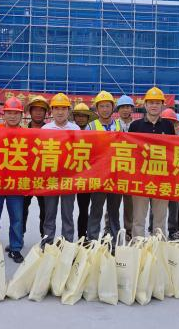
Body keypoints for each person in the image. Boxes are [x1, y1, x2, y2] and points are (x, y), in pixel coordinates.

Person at [130, 88, 175, 238]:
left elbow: (173, 150)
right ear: (145, 105)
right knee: (138, 218)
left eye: (157, 103)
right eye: (151, 103)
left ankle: (158, 247)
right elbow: (131, 151)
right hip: (140, 178)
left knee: (160, 219)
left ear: (162, 105)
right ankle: (138, 246)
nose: (154, 106)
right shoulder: (135, 126)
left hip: (162, 178)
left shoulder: (168, 126)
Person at [0, 97, 26, 263]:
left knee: (17, 218)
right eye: (9, 113)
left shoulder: (28, 134)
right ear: (4, 114)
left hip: (16, 183)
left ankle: (15, 248)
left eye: (16, 113)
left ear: (21, 115)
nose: (12, 116)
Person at [41, 93, 80, 243]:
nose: (60, 112)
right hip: (50, 178)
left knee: (67, 213)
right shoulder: (45, 129)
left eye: (63, 108)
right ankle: (48, 241)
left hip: (69, 178)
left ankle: (67, 242)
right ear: (51, 111)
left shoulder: (75, 129)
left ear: (68, 111)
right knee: (49, 213)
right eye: (56, 108)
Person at [86, 90, 123, 242]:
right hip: (98, 176)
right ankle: (92, 239)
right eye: (102, 106)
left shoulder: (120, 125)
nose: (105, 109)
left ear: (112, 107)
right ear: (97, 109)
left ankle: (114, 240)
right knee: (96, 209)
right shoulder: (91, 126)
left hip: (116, 176)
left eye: (108, 106)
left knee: (114, 211)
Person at [104, 95, 135, 238]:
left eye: (128, 107)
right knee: (112, 203)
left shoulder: (136, 125)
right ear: (118, 109)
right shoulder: (113, 125)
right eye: (122, 107)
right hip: (115, 169)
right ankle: (108, 227)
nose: (125, 110)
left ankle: (129, 229)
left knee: (130, 203)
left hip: (131, 170)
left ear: (132, 109)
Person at [22, 95, 49, 238]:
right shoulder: (22, 131)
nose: (38, 113)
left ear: (45, 113)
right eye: (35, 110)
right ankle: (18, 238)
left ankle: (45, 238)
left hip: (44, 178)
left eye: (41, 110)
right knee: (21, 209)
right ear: (30, 112)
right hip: (26, 177)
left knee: (45, 211)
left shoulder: (52, 131)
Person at [72, 102, 97, 239]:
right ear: (74, 118)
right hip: (71, 175)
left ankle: (84, 235)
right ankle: (71, 236)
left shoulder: (94, 133)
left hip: (88, 176)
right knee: (69, 209)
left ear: (88, 118)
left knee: (86, 208)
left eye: (84, 116)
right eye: (78, 116)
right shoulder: (69, 132)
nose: (81, 118)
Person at [161, 108, 179, 240]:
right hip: (160, 176)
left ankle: (172, 229)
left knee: (174, 207)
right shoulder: (158, 138)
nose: (171, 126)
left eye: (174, 123)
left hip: (176, 178)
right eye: (167, 122)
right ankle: (154, 228)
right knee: (156, 207)